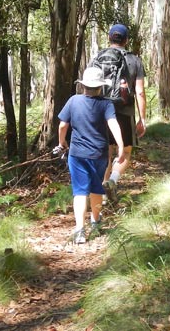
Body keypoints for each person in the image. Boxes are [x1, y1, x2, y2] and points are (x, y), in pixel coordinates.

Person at [57, 67, 126, 244]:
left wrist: (61, 142)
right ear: (100, 87)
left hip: (77, 154)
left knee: (80, 191)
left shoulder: (73, 101)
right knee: (96, 187)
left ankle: (80, 230)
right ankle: (95, 222)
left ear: (83, 85)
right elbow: (113, 124)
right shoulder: (106, 104)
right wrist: (120, 145)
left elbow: (62, 125)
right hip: (99, 154)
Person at [98, 23, 147, 204]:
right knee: (125, 151)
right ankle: (112, 180)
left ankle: (102, 193)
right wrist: (142, 119)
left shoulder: (98, 57)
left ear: (109, 38)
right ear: (126, 40)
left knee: (106, 152)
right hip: (124, 112)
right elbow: (140, 92)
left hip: (101, 111)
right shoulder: (135, 60)